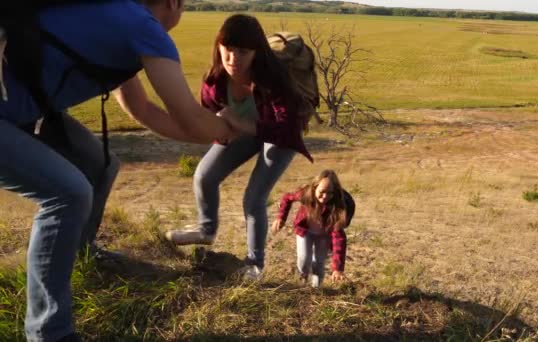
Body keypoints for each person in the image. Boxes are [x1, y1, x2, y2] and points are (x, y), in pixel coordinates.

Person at [0, 0, 236, 340]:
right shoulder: (142, 27)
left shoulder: (118, 15)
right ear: (173, 3)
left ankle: (80, 251)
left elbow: (141, 110)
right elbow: (188, 117)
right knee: (68, 194)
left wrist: (215, 131)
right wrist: (232, 129)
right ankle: (49, 331)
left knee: (101, 164)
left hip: (16, 110)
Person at [164, 14, 313, 281]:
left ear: (256, 52)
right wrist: (223, 133)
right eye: (228, 50)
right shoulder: (215, 80)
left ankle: (255, 265)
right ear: (218, 47)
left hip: (280, 136)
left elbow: (287, 130)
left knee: (253, 198)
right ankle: (206, 230)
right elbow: (210, 115)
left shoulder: (275, 79)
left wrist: (241, 125)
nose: (233, 59)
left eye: (243, 52)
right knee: (204, 176)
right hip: (246, 130)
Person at [272, 170, 355, 288]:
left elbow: (339, 238)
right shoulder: (305, 194)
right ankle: (302, 281)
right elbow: (287, 198)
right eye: (322, 192)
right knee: (304, 259)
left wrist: (338, 268)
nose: (325, 196)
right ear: (314, 188)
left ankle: (316, 289)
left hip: (325, 235)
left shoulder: (338, 207)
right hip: (305, 231)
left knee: (319, 262)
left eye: (330, 193)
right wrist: (281, 217)